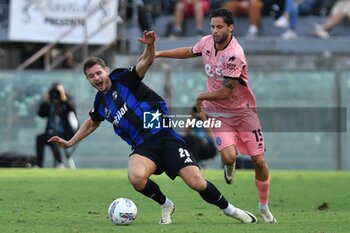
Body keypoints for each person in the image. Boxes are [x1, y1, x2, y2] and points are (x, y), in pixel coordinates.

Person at [48, 31, 257, 224]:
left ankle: (231, 209)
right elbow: (92, 122)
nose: (96, 78)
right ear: (88, 79)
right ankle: (167, 205)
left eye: (98, 73)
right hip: (143, 146)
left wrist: (151, 45)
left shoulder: (123, 77)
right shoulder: (100, 103)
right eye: (91, 76)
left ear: (106, 71)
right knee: (136, 177)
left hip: (165, 136)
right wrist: (69, 142)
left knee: (197, 184)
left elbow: (146, 61)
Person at [154, 8, 276, 223]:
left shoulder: (235, 54)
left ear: (231, 27)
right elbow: (188, 51)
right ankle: (230, 164)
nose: (215, 31)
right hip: (218, 112)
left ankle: (264, 206)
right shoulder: (207, 42)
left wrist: (201, 95)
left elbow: (227, 91)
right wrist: (159, 53)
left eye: (220, 27)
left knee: (258, 160)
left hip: (244, 112)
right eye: (212, 26)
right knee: (229, 157)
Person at [36, 83, 78, 168]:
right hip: (50, 132)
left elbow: (72, 109)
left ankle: (60, 163)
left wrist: (63, 98)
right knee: (40, 138)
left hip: (67, 133)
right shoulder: (49, 103)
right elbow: (41, 114)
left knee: (54, 137)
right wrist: (45, 100)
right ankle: (39, 165)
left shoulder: (67, 100)